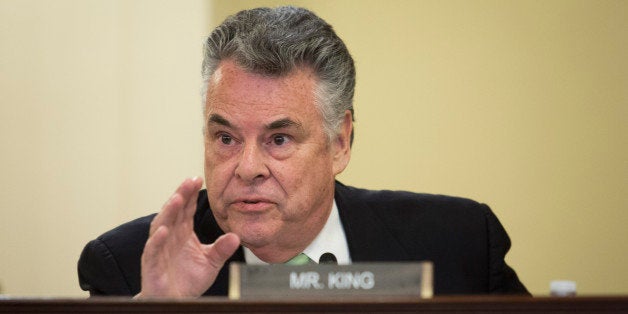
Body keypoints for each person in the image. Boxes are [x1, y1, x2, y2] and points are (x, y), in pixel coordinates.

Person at [78, 6, 529, 297]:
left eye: (279, 139)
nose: (248, 168)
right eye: (226, 138)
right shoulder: (128, 269)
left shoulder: (457, 244)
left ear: (340, 142)